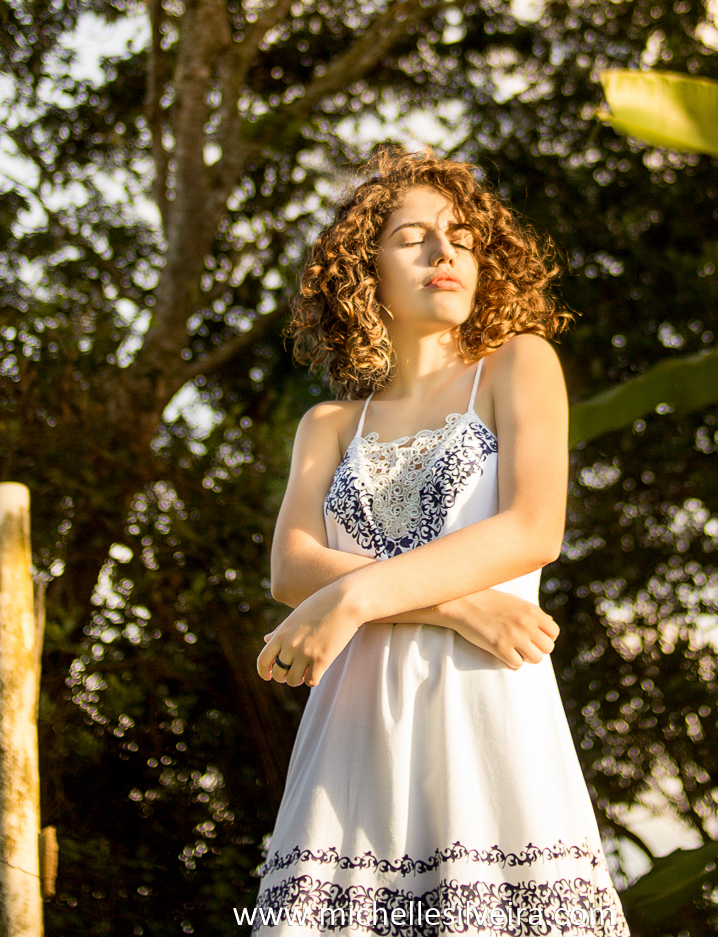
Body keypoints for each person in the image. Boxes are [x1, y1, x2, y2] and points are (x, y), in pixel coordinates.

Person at [251, 149, 630, 937]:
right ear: (366, 271)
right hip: (350, 746)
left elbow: (533, 530)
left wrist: (352, 597)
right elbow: (291, 570)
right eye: (412, 237)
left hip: (487, 725)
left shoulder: (516, 365)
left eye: (460, 236)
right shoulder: (327, 426)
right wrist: (459, 607)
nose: (444, 252)